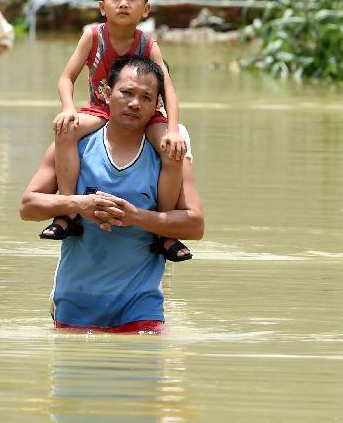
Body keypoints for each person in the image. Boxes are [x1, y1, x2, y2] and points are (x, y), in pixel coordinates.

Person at [20, 56, 205, 333]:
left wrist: (138, 217)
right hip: (75, 298)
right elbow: (28, 206)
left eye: (146, 97)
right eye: (126, 93)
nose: (134, 104)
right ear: (106, 93)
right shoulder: (75, 145)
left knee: (144, 367)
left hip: (141, 304)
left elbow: (195, 225)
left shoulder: (168, 157)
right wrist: (78, 204)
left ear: (157, 105)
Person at [39, 0, 190, 263]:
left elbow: (168, 89)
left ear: (145, 9)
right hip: (99, 107)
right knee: (65, 130)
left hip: (144, 111)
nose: (123, 3)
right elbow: (65, 78)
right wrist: (69, 109)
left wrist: (172, 129)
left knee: (173, 150)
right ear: (101, 6)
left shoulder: (148, 44)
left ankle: (164, 228)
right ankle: (68, 212)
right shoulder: (92, 35)